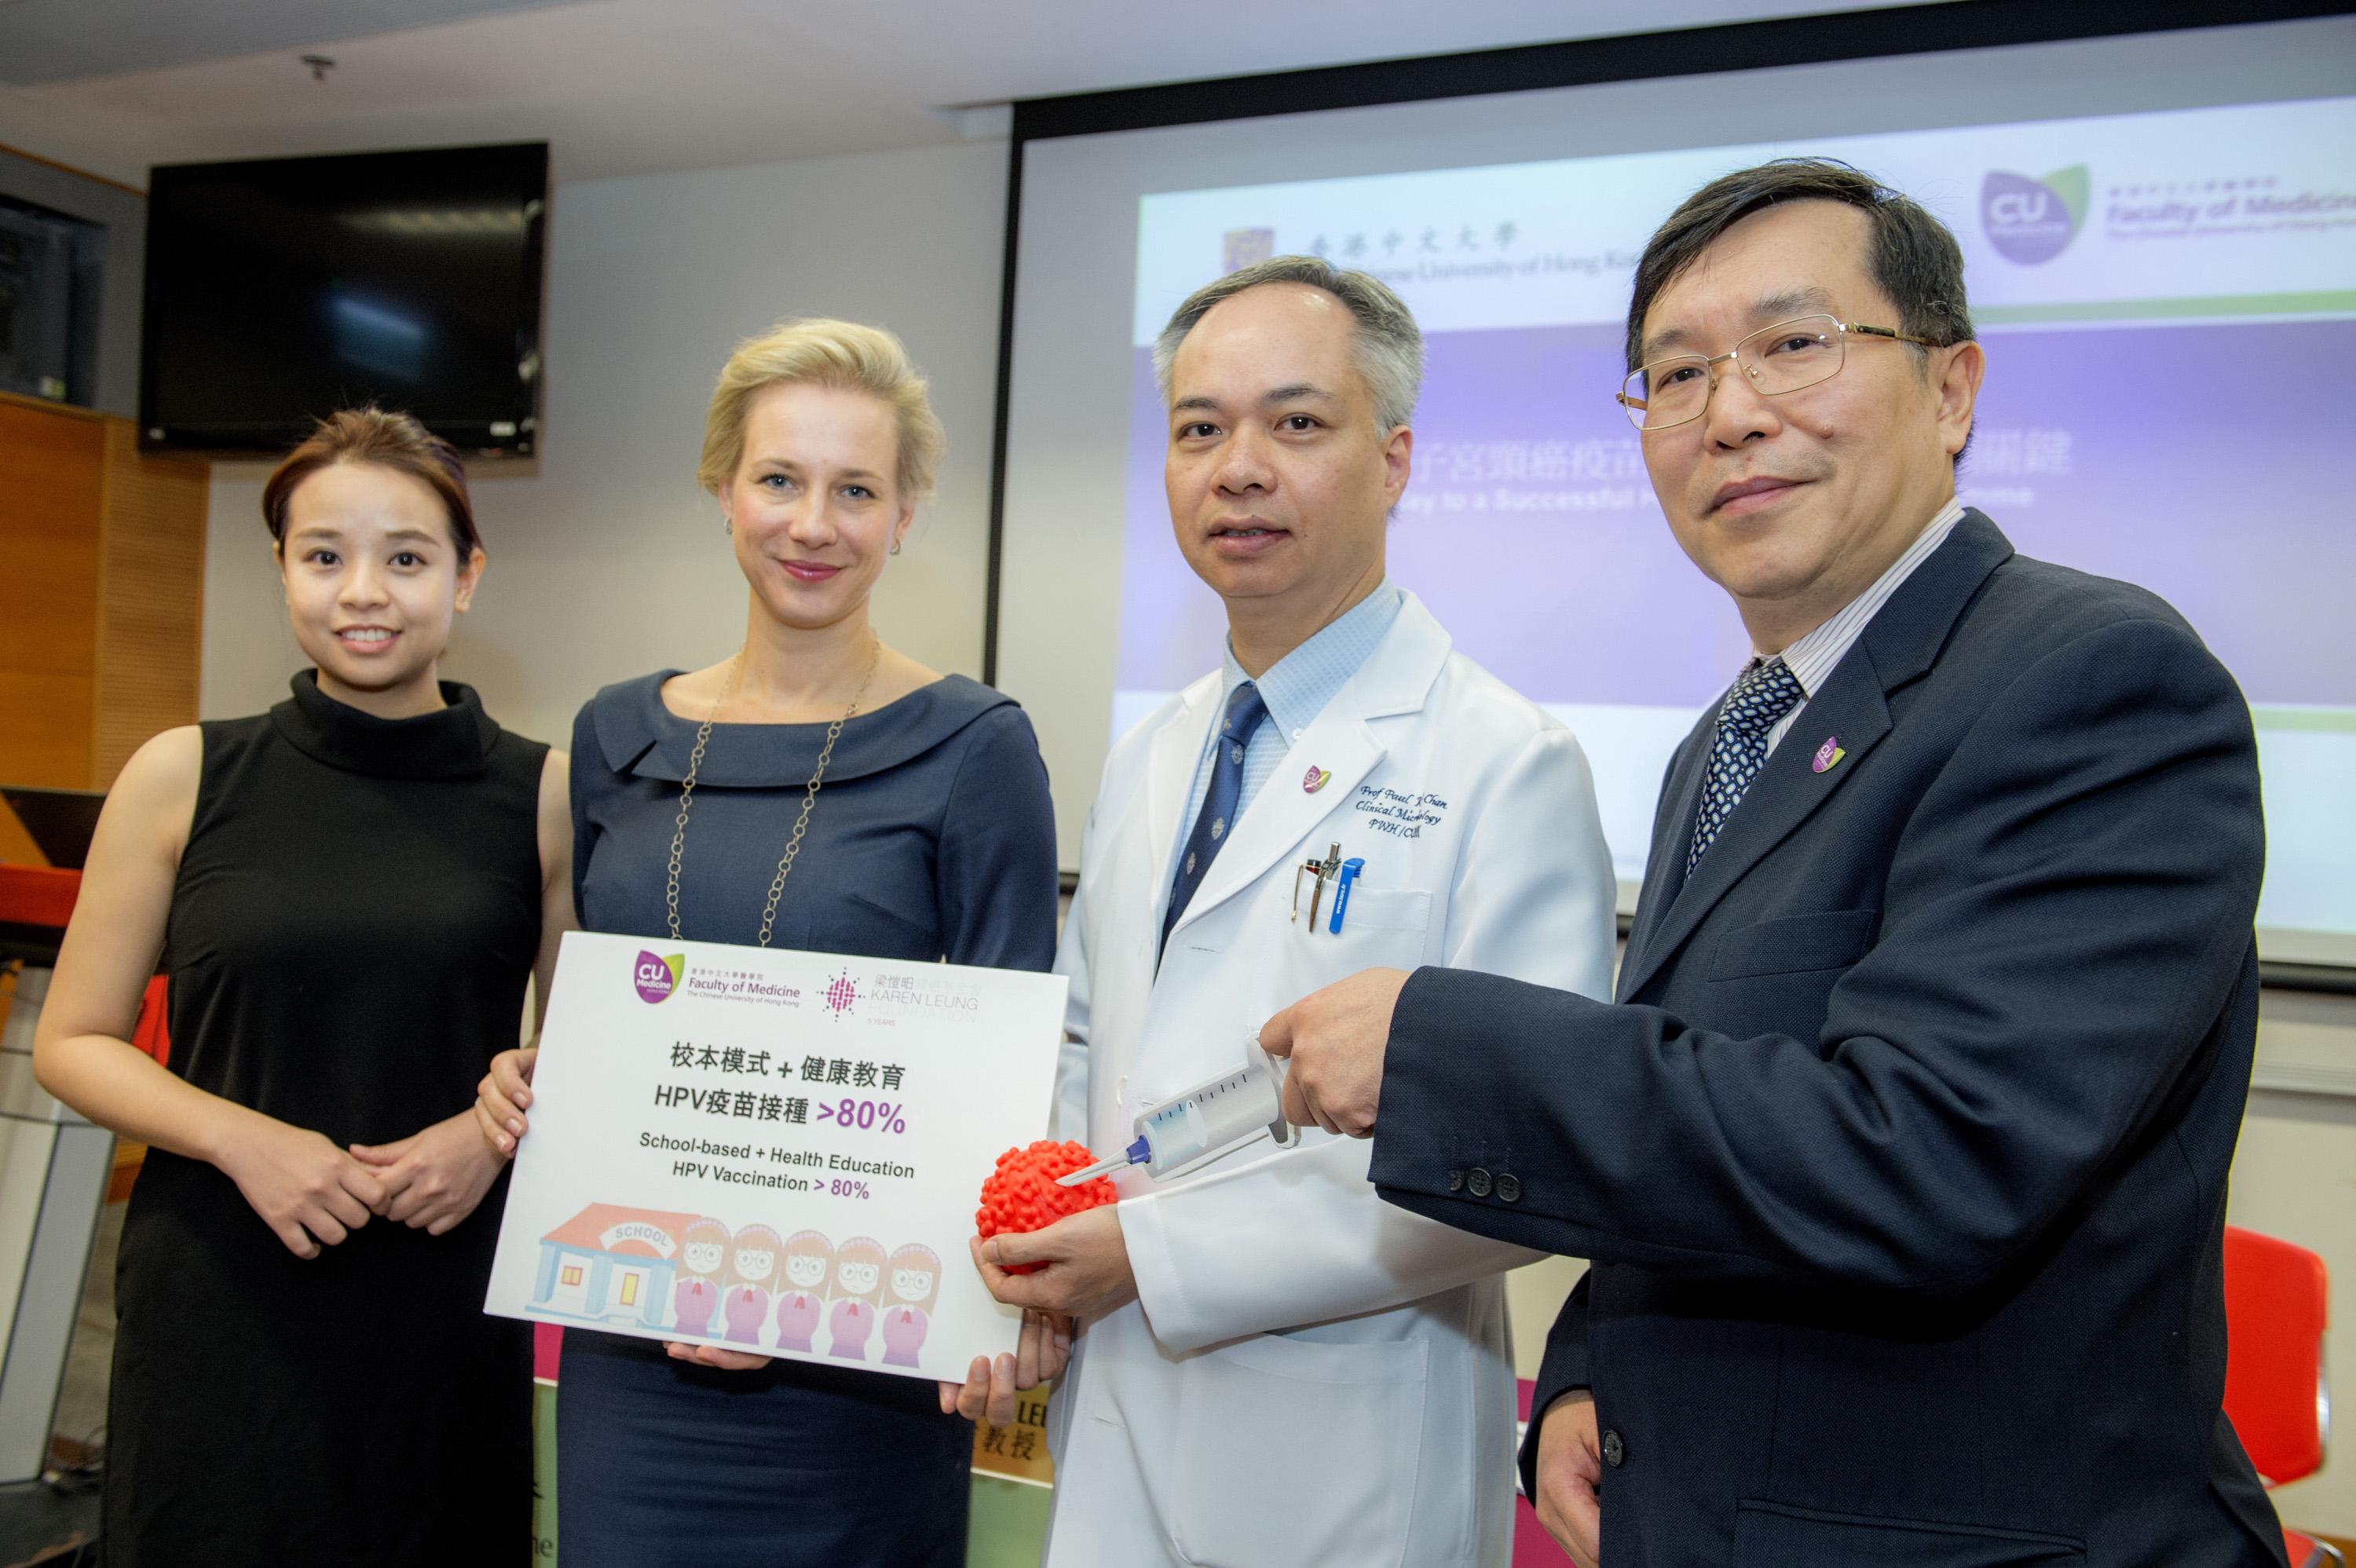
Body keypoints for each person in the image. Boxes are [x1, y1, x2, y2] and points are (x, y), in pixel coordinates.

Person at [1265, 159, 2280, 1566]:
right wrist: (1588, 1360)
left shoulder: (2093, 678)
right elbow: (1709, 1095)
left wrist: (1437, 1044)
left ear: (1953, 387)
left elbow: (1931, 1155)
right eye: (1674, 375)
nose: (1730, 412)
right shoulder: (1736, 735)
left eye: (1796, 346)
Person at [971, 256, 1617, 1567]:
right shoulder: (1156, 752)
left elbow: (1514, 1156)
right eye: (1199, 427)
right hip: (1117, 1413)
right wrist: (1041, 1258)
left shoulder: (1507, 759)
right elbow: (1094, 1051)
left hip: (1345, 1454)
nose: (1238, 465)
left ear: (1395, 457)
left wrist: (1150, 1257)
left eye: (1296, 422)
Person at [472, 318, 1059, 1567]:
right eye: (780, 479)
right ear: (721, 487)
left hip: (863, 1367)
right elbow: (591, 1006)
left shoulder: (975, 745)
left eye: (858, 489)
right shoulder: (615, 734)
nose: (813, 523)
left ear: (906, 517)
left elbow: (1015, 1076)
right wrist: (538, 1076)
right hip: (632, 1349)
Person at [32, 408, 572, 1566]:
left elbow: (588, 1047)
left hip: (442, 1289)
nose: (363, 590)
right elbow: (72, 1038)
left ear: (467, 577)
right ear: (281, 565)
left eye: (408, 557)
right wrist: (244, 1140)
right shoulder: (183, 772)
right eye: (324, 555)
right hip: (220, 1288)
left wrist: (486, 1138)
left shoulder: (546, 792)